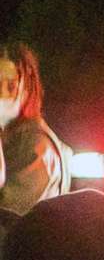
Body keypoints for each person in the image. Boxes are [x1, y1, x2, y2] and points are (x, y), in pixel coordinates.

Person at [0, 42, 67, 218]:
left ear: (27, 88)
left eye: (11, 86)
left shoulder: (35, 145)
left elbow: (8, 215)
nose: (2, 94)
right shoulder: (9, 137)